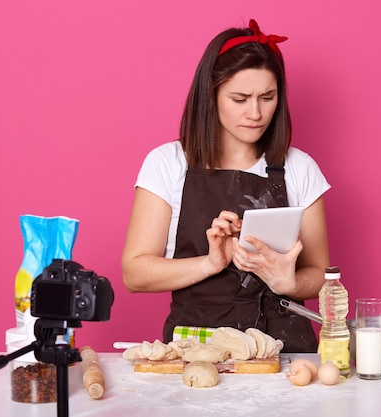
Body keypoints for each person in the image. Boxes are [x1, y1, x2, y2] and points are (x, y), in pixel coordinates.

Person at [122, 19, 330, 352]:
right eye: (240, 98)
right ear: (212, 95)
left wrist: (288, 281)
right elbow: (135, 273)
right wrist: (211, 262)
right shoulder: (168, 163)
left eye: (267, 97)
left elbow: (321, 276)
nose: (256, 112)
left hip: (285, 351)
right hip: (196, 351)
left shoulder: (299, 168)